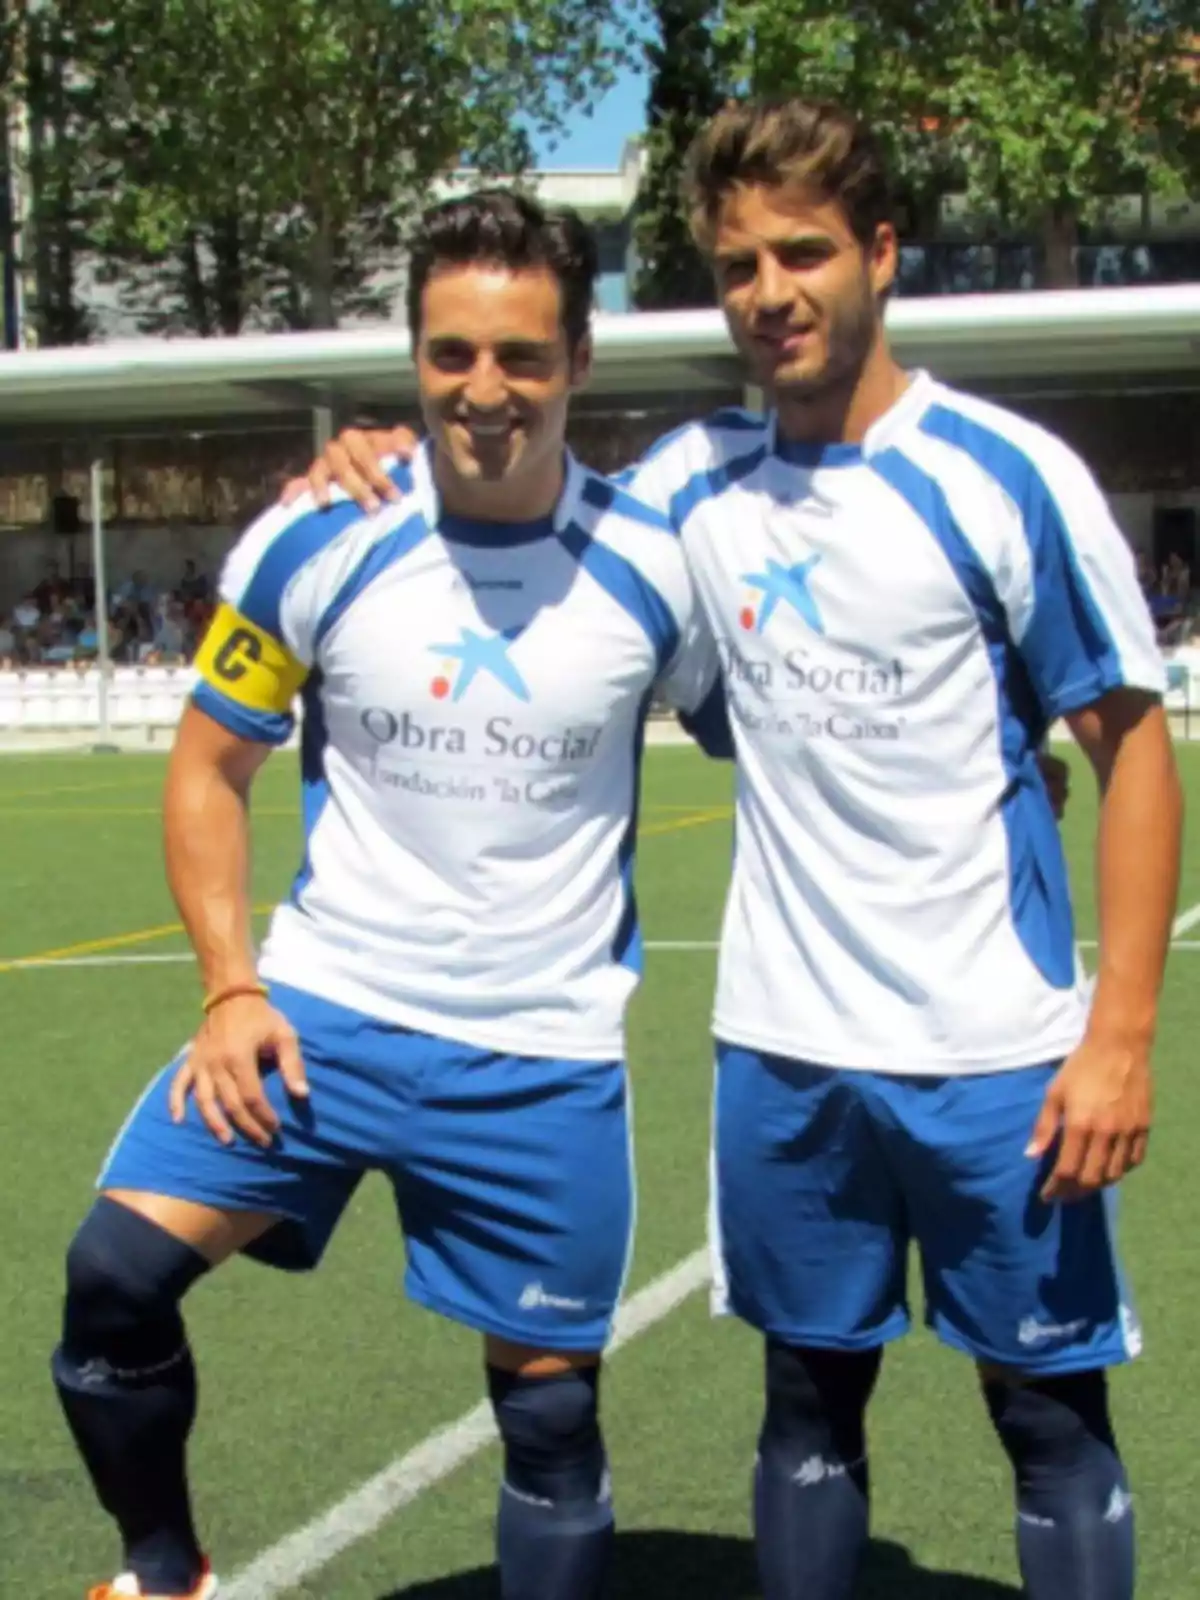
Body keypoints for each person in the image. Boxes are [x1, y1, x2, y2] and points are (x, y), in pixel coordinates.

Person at [301, 99, 1181, 1600]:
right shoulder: (688, 489)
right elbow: (518, 487)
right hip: (782, 1047)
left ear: (881, 255)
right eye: (739, 264)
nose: (771, 291)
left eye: (804, 252)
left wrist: (1121, 1037)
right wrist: (373, 455)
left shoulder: (998, 474)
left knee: (1046, 1415)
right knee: (805, 1407)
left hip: (995, 1048)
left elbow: (1132, 748)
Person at [51, 190, 724, 1600]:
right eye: (453, 353)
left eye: (523, 357)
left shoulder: (655, 567)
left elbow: (775, 743)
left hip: (538, 1055)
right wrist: (232, 987)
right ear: (414, 356)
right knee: (113, 1278)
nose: (486, 391)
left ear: (578, 363)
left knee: (549, 1423)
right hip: (321, 1015)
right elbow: (205, 771)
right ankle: (162, 1575)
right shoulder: (320, 534)